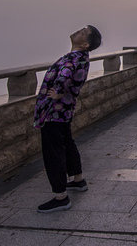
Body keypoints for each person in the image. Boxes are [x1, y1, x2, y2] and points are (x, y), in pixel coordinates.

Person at [33, 25, 103, 213]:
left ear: (85, 43)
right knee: (67, 142)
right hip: (65, 110)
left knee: (53, 151)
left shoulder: (72, 58)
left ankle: (60, 197)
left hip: (53, 111)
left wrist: (58, 92)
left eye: (82, 32)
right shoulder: (83, 57)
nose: (78, 31)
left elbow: (65, 74)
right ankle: (78, 179)